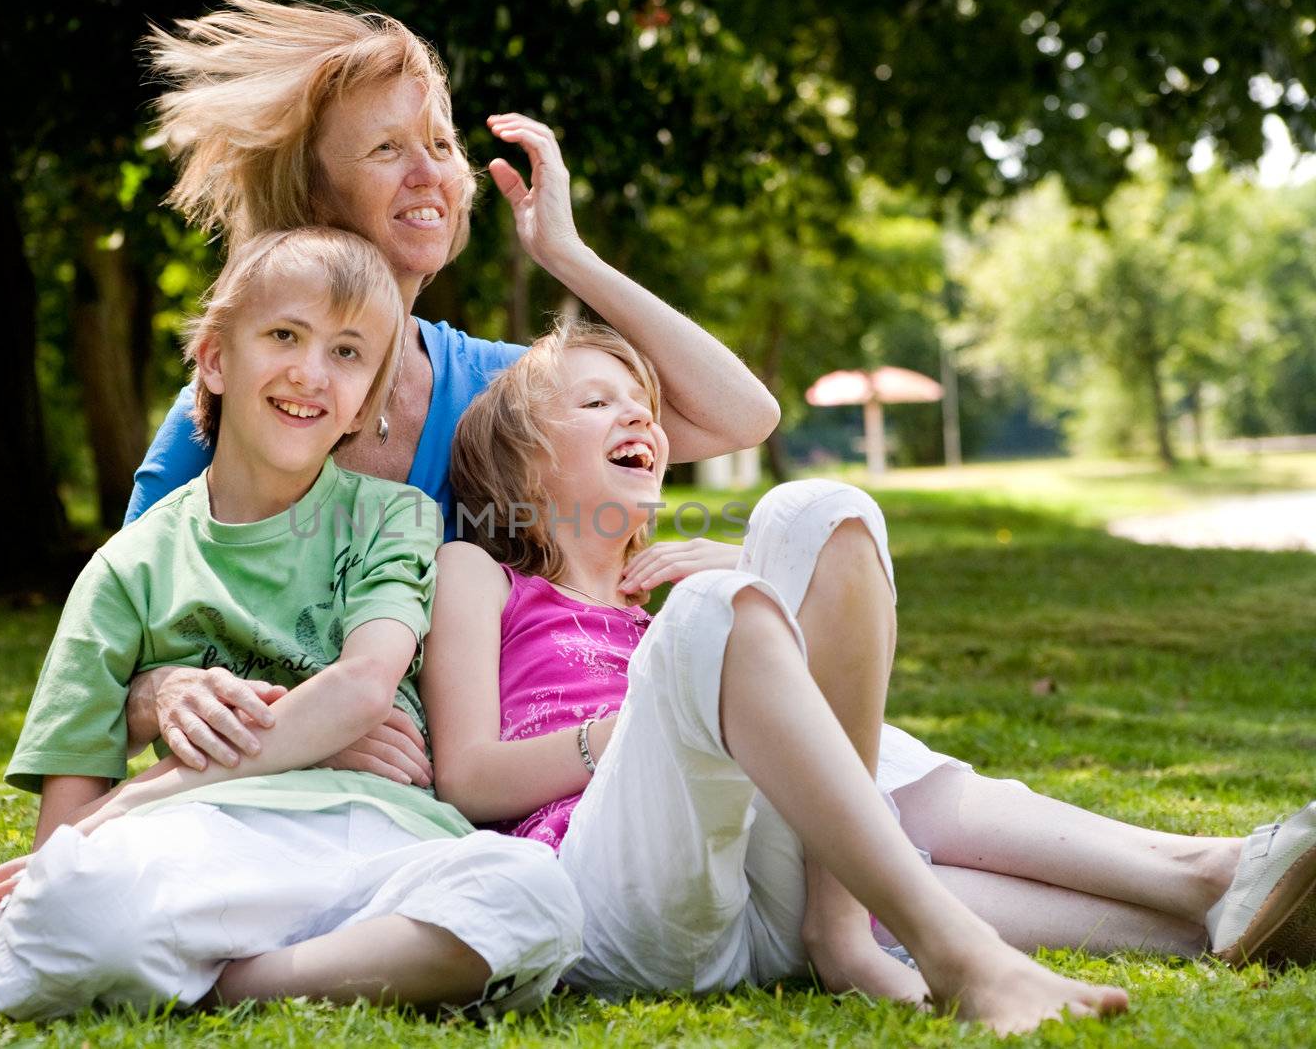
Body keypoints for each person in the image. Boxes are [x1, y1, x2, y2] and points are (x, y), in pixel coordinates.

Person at [420, 319, 1316, 1033]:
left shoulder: (667, 605)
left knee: (822, 508)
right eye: (596, 402)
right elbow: (468, 775)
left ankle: (1212, 888)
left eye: (643, 406)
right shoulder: (482, 575)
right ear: (525, 462)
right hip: (624, 899)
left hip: (768, 906)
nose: (640, 419)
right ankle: (958, 953)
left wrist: (747, 576)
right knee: (714, 621)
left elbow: (820, 702)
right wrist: (640, 714)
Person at [0, 227, 582, 1031]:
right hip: (206, 846)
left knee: (535, 895)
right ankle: (36, 943)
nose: (310, 372)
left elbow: (366, 686)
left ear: (368, 401)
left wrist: (135, 801)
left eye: (346, 353)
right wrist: (99, 845)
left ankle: (209, 976)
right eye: (284, 336)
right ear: (216, 359)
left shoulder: (393, 518)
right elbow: (65, 838)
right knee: (83, 899)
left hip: (384, 832)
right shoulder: (128, 568)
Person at [123, 0, 784, 783]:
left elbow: (742, 415)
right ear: (316, 197)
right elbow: (112, 649)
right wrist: (180, 694)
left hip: (469, 804)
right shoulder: (237, 410)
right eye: (386, 150)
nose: (430, 170)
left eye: (439, 142)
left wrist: (568, 256)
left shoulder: (490, 386)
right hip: (285, 794)